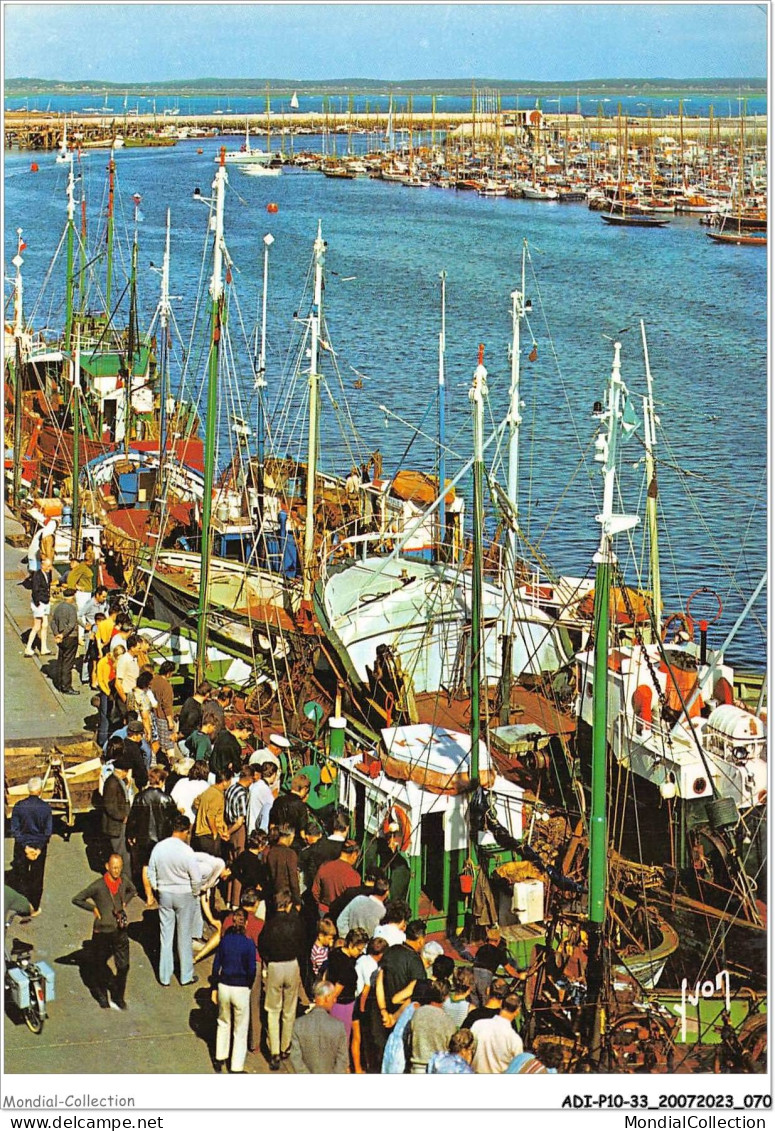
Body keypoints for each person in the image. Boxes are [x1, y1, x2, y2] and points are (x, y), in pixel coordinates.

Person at [72, 853, 137, 1010]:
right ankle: (102, 996)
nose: (117, 871)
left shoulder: (123, 881)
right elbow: (77, 899)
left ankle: (118, 996)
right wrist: (93, 908)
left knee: (123, 966)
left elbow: (132, 890)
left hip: (120, 930)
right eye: (114, 867)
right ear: (107, 867)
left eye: (120, 868)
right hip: (102, 932)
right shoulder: (98, 885)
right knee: (100, 965)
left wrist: (124, 902)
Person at [147, 813, 201, 987]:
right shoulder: (187, 851)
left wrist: (157, 888)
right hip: (184, 894)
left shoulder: (159, 848)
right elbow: (196, 878)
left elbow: (151, 873)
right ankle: (185, 975)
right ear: (185, 831)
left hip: (165, 894)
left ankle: (164, 975)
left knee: (166, 936)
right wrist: (195, 892)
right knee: (184, 936)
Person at [368, 918, 427, 1071]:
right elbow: (414, 996)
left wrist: (383, 1011)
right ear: (420, 940)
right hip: (401, 1018)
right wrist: (394, 1017)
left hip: (382, 1013)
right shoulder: (416, 962)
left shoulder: (390, 951)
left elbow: (379, 981)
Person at [258, 887, 307, 1071]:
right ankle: (286, 1045)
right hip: (292, 965)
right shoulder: (296, 923)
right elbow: (302, 944)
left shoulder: (269, 925)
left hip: (275, 967)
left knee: (273, 1010)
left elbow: (262, 946)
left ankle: (275, 1051)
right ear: (287, 905)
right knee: (289, 1009)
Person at [211, 908, 256, 1074]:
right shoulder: (249, 943)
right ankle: (236, 1066)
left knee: (223, 1022)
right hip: (241, 987)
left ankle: (219, 1057)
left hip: (224, 985)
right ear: (246, 923)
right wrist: (248, 984)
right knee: (240, 1029)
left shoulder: (225, 941)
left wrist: (214, 986)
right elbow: (252, 969)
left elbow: (216, 966)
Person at [125, 766, 176, 904]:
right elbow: (173, 819)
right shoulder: (167, 799)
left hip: (144, 838)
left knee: (146, 866)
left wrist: (130, 834)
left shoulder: (140, 797)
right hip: (162, 839)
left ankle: (148, 896)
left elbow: (133, 818)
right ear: (161, 781)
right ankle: (162, 895)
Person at [10, 777, 52, 916]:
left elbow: (15, 830)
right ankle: (34, 907)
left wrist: (26, 847)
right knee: (36, 878)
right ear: (40, 790)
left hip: (22, 847)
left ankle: (21, 906)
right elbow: (47, 831)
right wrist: (38, 848)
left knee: (21, 876)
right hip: (39, 846)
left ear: (28, 789)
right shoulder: (45, 808)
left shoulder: (19, 806)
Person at [288, 980, 349, 1074]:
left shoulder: (299, 1024)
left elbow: (295, 1058)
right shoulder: (338, 1026)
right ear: (327, 998)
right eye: (334, 997)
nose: (335, 1000)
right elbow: (342, 1060)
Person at [327, 926, 370, 1042]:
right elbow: (339, 986)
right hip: (344, 1004)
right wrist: (330, 1000)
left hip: (331, 999)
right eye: (359, 949)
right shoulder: (348, 965)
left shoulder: (334, 953)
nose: (360, 953)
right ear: (351, 945)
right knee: (343, 1038)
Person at [352, 936, 388, 1074]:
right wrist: (362, 1011)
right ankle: (364, 1066)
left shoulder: (362, 959)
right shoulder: (372, 967)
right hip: (361, 1002)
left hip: (355, 998)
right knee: (363, 1037)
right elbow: (366, 990)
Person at [407, 978, 457, 1073]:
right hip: (438, 1068)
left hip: (417, 1066)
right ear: (446, 997)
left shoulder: (418, 1013)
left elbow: (410, 1039)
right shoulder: (448, 1021)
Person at [470, 992, 524, 1073]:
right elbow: (518, 1068)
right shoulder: (515, 1040)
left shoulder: (478, 1025)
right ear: (517, 1011)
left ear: (501, 1003)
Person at [224, 762, 253, 907]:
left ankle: (229, 899)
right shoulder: (242, 793)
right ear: (250, 779)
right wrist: (229, 832)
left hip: (228, 824)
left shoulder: (231, 788)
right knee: (239, 865)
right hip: (236, 830)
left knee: (231, 863)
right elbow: (240, 820)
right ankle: (235, 902)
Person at [191, 768, 239, 856]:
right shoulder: (218, 795)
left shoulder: (208, 791)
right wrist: (215, 833)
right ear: (224, 781)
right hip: (209, 834)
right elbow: (210, 816)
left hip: (200, 833)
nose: (230, 784)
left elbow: (196, 802)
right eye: (229, 781)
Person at [311, 838, 361, 916]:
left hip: (324, 911)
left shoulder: (324, 866)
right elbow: (354, 901)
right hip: (341, 914)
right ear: (354, 854)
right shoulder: (354, 876)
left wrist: (320, 903)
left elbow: (315, 891)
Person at [472, 924, 518, 1006]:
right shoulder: (499, 953)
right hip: (485, 976)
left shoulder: (481, 949)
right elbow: (510, 970)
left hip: (474, 972)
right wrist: (519, 975)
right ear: (498, 940)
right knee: (485, 1000)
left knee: (474, 1000)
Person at [101, 758, 132, 875]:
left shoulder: (117, 781)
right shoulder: (112, 784)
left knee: (123, 853)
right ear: (122, 771)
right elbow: (110, 806)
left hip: (119, 824)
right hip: (116, 826)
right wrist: (123, 817)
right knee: (121, 854)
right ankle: (125, 881)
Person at [50, 587, 80, 693]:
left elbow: (52, 622)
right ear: (72, 597)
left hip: (61, 638)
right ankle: (66, 686)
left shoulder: (58, 607)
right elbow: (71, 624)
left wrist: (57, 634)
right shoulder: (72, 609)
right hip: (70, 637)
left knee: (61, 660)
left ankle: (59, 682)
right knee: (68, 663)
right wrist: (63, 635)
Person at [268, 773, 311, 846]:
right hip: (294, 844)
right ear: (304, 789)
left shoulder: (278, 800)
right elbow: (302, 833)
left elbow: (272, 825)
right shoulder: (301, 806)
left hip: (277, 841)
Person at [266, 823, 301, 910]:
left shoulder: (271, 852)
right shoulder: (290, 853)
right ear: (291, 835)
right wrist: (297, 901)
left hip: (274, 897)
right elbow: (293, 879)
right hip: (288, 899)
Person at [24, 556, 53, 657]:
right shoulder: (37, 575)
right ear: (43, 566)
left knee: (45, 625)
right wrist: (37, 603)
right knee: (37, 626)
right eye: (48, 566)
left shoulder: (48, 574)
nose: (50, 568)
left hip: (46, 601)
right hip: (39, 602)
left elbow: (48, 587)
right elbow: (35, 590)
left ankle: (43, 648)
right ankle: (28, 648)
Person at [150, 660, 177, 760]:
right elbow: (167, 705)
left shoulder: (154, 680)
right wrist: (170, 721)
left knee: (156, 740)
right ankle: (172, 763)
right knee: (169, 744)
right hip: (163, 717)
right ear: (169, 672)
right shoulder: (166, 686)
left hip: (154, 715)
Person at [95, 644, 122, 746]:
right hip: (106, 691)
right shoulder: (103, 662)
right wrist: (107, 693)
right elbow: (101, 680)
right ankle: (103, 742)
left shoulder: (118, 663)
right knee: (105, 716)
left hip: (115, 691)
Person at [114, 633, 143, 719]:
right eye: (139, 648)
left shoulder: (134, 659)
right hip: (127, 695)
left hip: (134, 695)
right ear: (132, 648)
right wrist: (126, 701)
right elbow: (117, 684)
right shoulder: (124, 661)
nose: (140, 650)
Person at [246, 759, 277, 834]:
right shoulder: (264, 789)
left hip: (250, 826)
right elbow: (272, 808)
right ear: (273, 774)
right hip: (257, 830)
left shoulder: (254, 785)